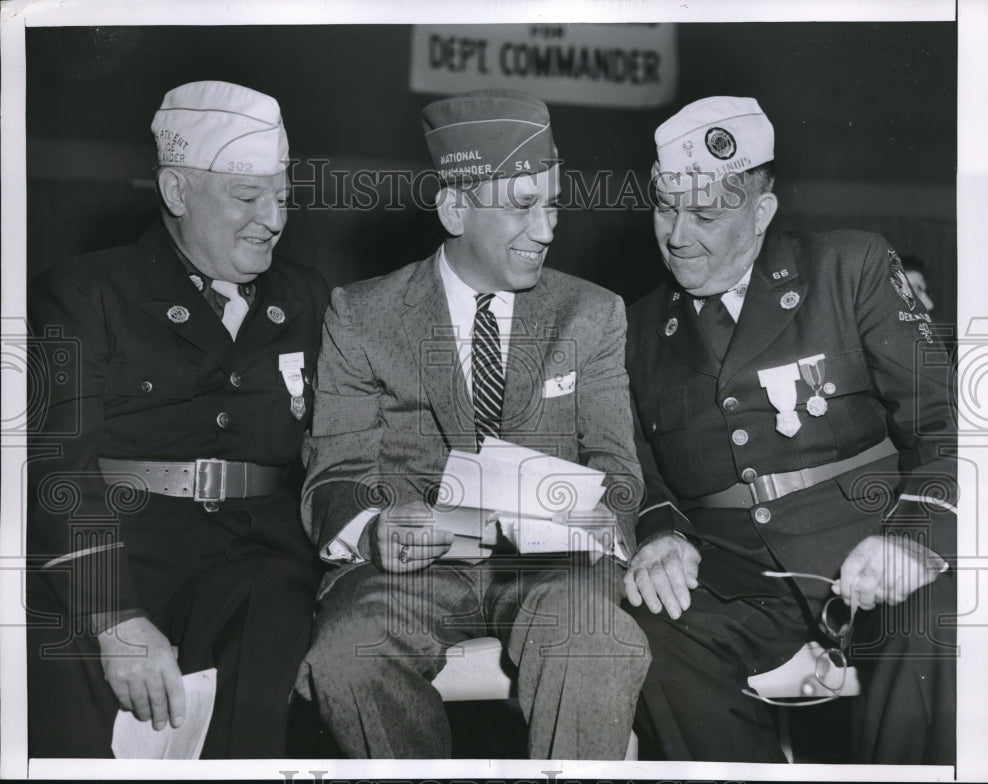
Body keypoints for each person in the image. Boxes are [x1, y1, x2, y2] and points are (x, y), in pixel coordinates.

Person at [295, 89, 649, 760]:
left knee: (596, 643)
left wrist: (601, 521)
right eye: (521, 206)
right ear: (455, 208)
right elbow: (336, 472)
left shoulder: (593, 313)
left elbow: (619, 469)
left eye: (552, 205)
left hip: (553, 569)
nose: (546, 229)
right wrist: (374, 528)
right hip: (410, 573)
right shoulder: (361, 314)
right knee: (347, 657)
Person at [624, 96, 956, 764]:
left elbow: (951, 427)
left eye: (707, 214)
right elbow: (636, 467)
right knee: (645, 633)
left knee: (940, 622)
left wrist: (916, 543)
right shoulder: (633, 328)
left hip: (871, 551)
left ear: (762, 212)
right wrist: (659, 532)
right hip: (734, 579)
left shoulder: (849, 269)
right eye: (664, 207)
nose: (678, 235)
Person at [26, 80, 327, 758]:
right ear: (176, 192)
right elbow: (55, 464)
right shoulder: (82, 292)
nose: (272, 218)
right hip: (115, 551)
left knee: (273, 629)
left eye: (282, 196)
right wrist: (114, 615)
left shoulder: (306, 297)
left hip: (256, 562)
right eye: (248, 197)